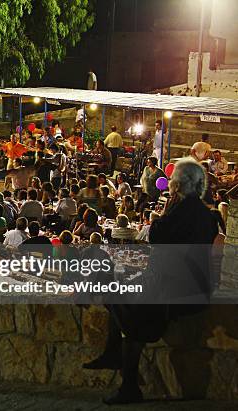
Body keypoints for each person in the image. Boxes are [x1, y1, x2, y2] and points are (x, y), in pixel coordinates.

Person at [86, 159, 218, 404]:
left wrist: (160, 216)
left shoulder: (181, 210)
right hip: (190, 285)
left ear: (177, 185)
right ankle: (118, 364)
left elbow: (158, 237)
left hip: (171, 288)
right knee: (132, 315)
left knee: (117, 295)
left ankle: (119, 365)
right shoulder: (205, 214)